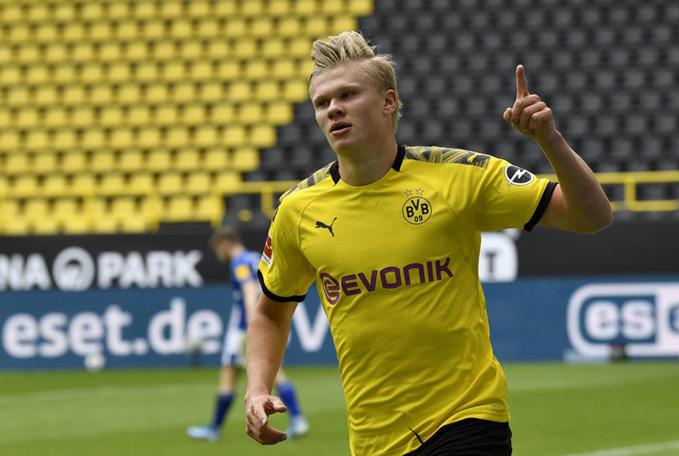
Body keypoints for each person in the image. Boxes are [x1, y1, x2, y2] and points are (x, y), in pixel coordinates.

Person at [245, 31, 612, 455]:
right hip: (374, 439)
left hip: (468, 417)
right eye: (322, 103)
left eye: (348, 94)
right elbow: (271, 312)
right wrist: (257, 388)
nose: (334, 109)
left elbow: (592, 216)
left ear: (388, 102)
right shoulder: (298, 210)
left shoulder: (458, 176)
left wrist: (550, 140)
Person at [187, 225, 308, 442]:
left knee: (233, 375)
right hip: (260, 326)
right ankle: (297, 419)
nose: (219, 255)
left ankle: (215, 429)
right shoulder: (254, 258)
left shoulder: (239, 263)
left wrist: (255, 325)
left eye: (218, 249)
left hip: (244, 330)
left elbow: (249, 291)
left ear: (224, 244)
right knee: (268, 371)